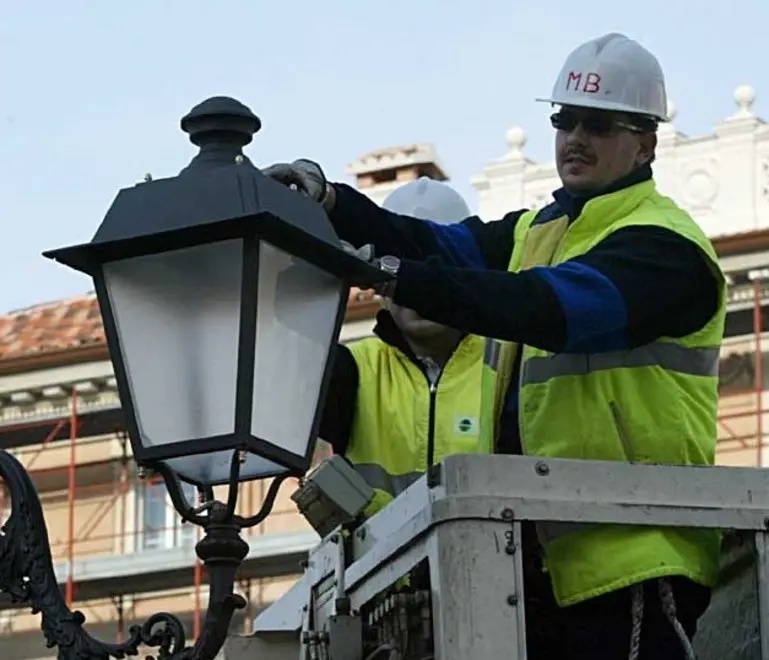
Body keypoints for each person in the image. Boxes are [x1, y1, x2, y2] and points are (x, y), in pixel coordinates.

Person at [266, 32, 725, 660]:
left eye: (598, 124)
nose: (575, 139)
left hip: (633, 561)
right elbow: (434, 244)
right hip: (537, 570)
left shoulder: (666, 249)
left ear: (645, 141)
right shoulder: (542, 230)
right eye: (565, 120)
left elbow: (549, 307)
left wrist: (398, 277)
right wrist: (331, 202)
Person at [319, 177, 489, 520]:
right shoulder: (349, 369)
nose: (418, 289)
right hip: (388, 573)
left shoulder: (510, 365)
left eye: (433, 271)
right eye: (402, 268)